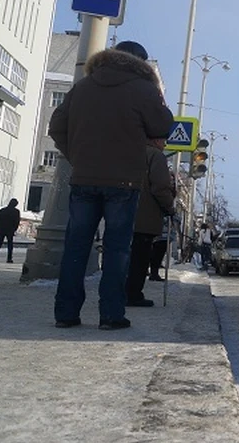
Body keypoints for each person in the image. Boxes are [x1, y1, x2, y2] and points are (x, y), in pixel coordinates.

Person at [49, 40, 174, 330]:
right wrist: (156, 94)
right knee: (118, 250)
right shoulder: (143, 89)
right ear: (142, 63)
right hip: (124, 181)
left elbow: (56, 127)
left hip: (83, 179)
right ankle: (111, 315)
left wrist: (78, 157)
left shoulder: (82, 87)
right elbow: (162, 126)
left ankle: (65, 314)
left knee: (76, 248)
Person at [125, 138, 175, 307]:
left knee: (122, 255)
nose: (165, 144)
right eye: (163, 140)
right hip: (145, 215)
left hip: (121, 211)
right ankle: (133, 294)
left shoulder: (128, 150)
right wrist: (169, 206)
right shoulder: (156, 156)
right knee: (140, 257)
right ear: (155, 140)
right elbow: (160, 187)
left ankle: (116, 292)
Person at [0, 198, 19, 263]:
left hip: (1, 229)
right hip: (10, 230)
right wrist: (14, 229)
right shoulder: (16, 211)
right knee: (10, 245)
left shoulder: (3, 210)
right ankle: (9, 258)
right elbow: (16, 221)